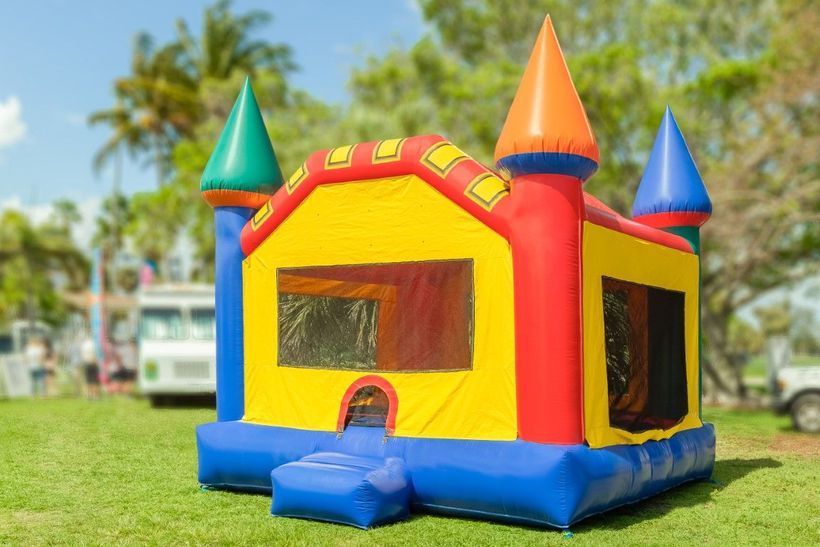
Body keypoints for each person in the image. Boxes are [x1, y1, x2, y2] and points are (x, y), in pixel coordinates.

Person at [80, 335, 100, 400]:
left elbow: (82, 355)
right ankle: (95, 395)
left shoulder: (84, 345)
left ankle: (89, 395)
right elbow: (96, 354)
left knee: (88, 380)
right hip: (93, 363)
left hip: (87, 363)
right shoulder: (95, 344)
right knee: (94, 380)